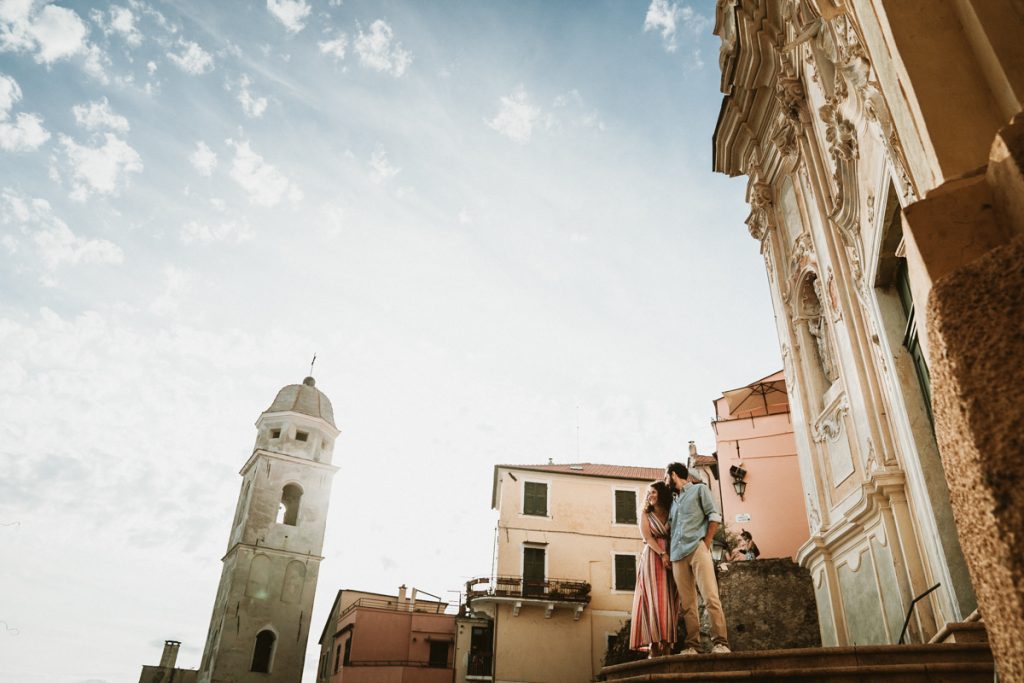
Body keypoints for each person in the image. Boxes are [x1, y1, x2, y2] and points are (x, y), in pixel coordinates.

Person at [665, 462, 731, 655]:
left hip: (697, 548)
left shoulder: (700, 490)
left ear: (674, 475)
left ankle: (721, 643)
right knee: (687, 605)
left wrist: (706, 543)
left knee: (711, 596)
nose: (665, 480)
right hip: (677, 556)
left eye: (666, 476)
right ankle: (693, 645)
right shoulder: (674, 502)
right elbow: (670, 529)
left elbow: (714, 516)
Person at [629, 481, 678, 657]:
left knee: (669, 600)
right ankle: (654, 643)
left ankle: (666, 642)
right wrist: (663, 554)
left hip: (672, 557)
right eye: (648, 493)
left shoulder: (671, 510)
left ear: (661, 494)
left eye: (653, 492)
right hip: (652, 557)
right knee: (653, 599)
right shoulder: (644, 513)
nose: (649, 495)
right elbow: (648, 538)